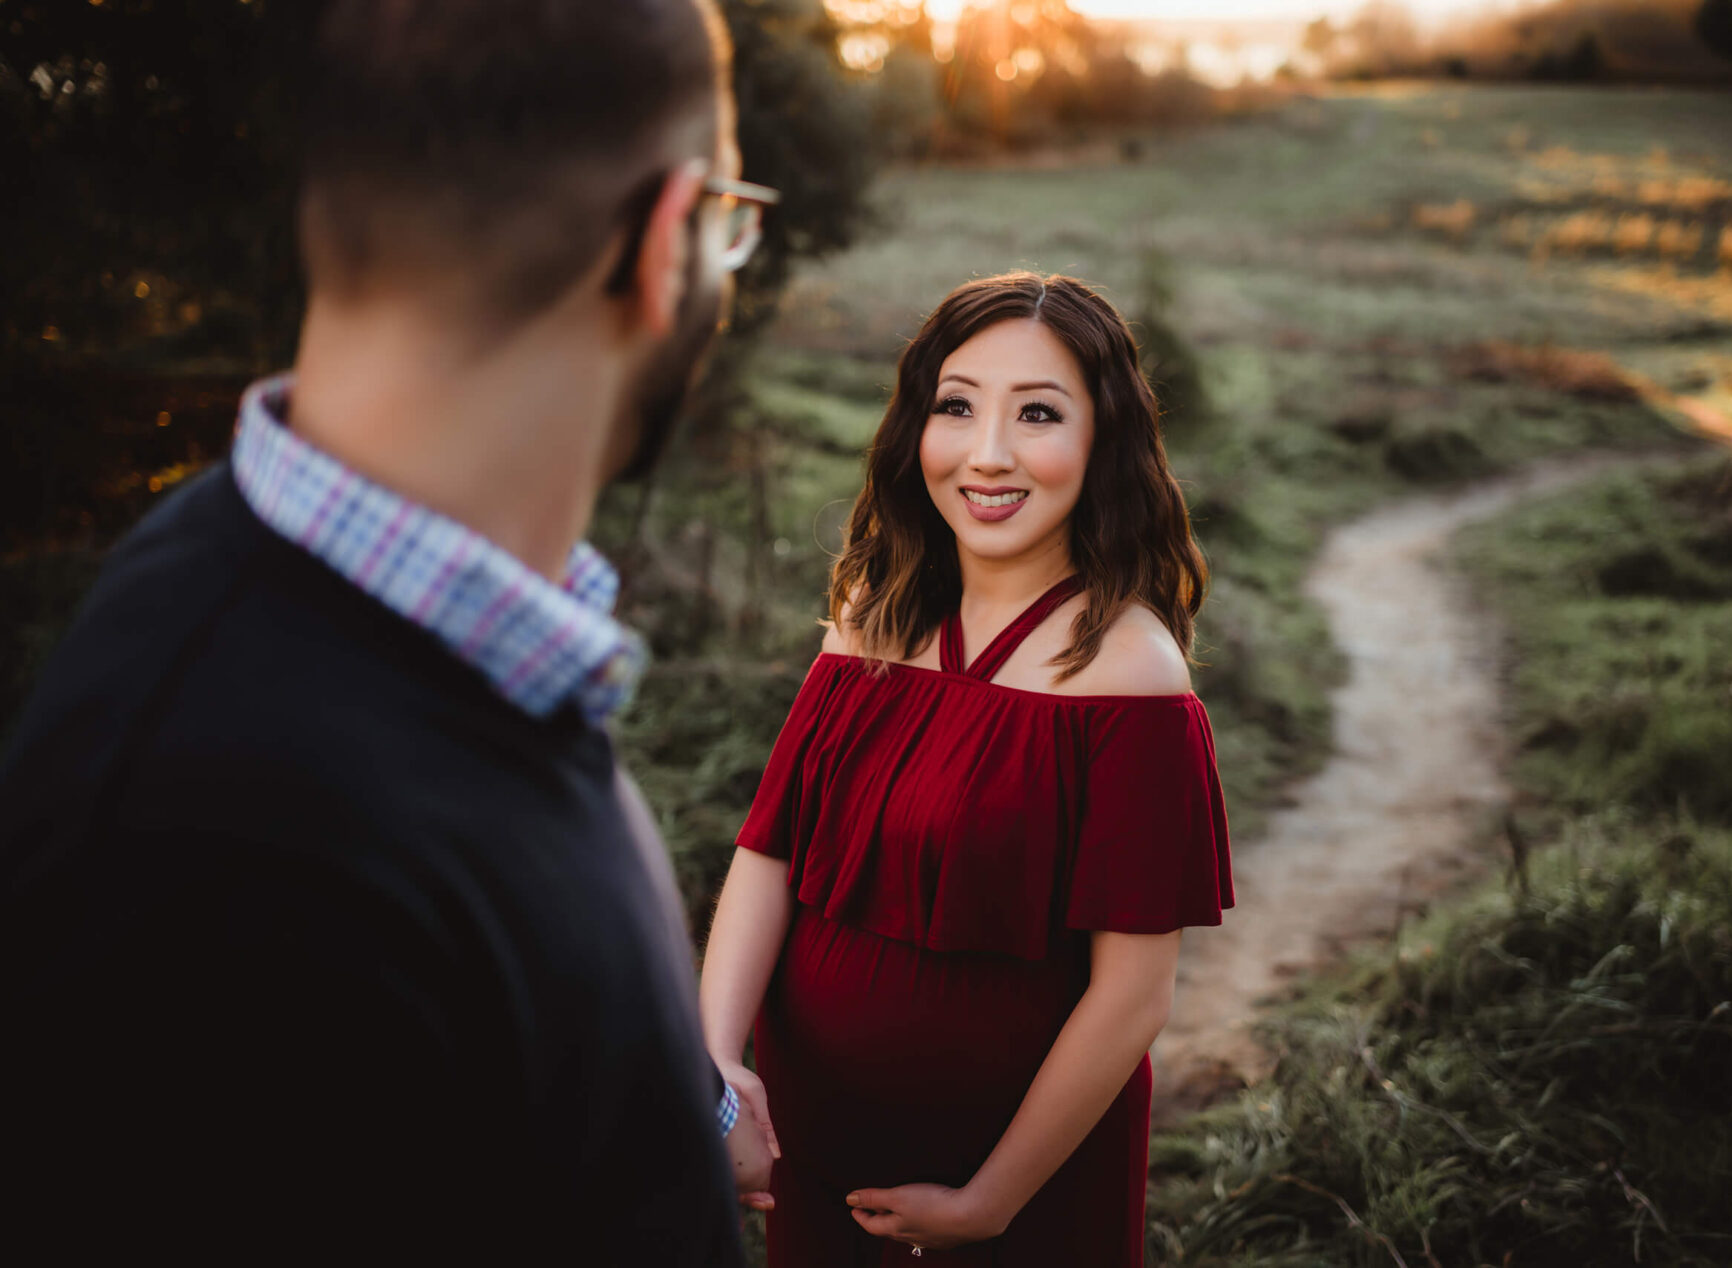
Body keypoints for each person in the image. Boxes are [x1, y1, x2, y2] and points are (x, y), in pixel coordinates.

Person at [0, 0, 775, 1260]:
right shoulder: (212, 854)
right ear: (666, 235)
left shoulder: (414, 633)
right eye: (732, 226)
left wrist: (680, 1106)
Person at [699, 272, 1235, 1264]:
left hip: (1009, 1189)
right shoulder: (870, 615)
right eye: (956, 407)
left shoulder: (1130, 670)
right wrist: (720, 1070)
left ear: (1101, 439)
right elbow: (768, 854)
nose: (987, 454)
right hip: (809, 1153)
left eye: (1037, 412)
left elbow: (1133, 993)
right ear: (917, 430)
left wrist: (991, 1198)